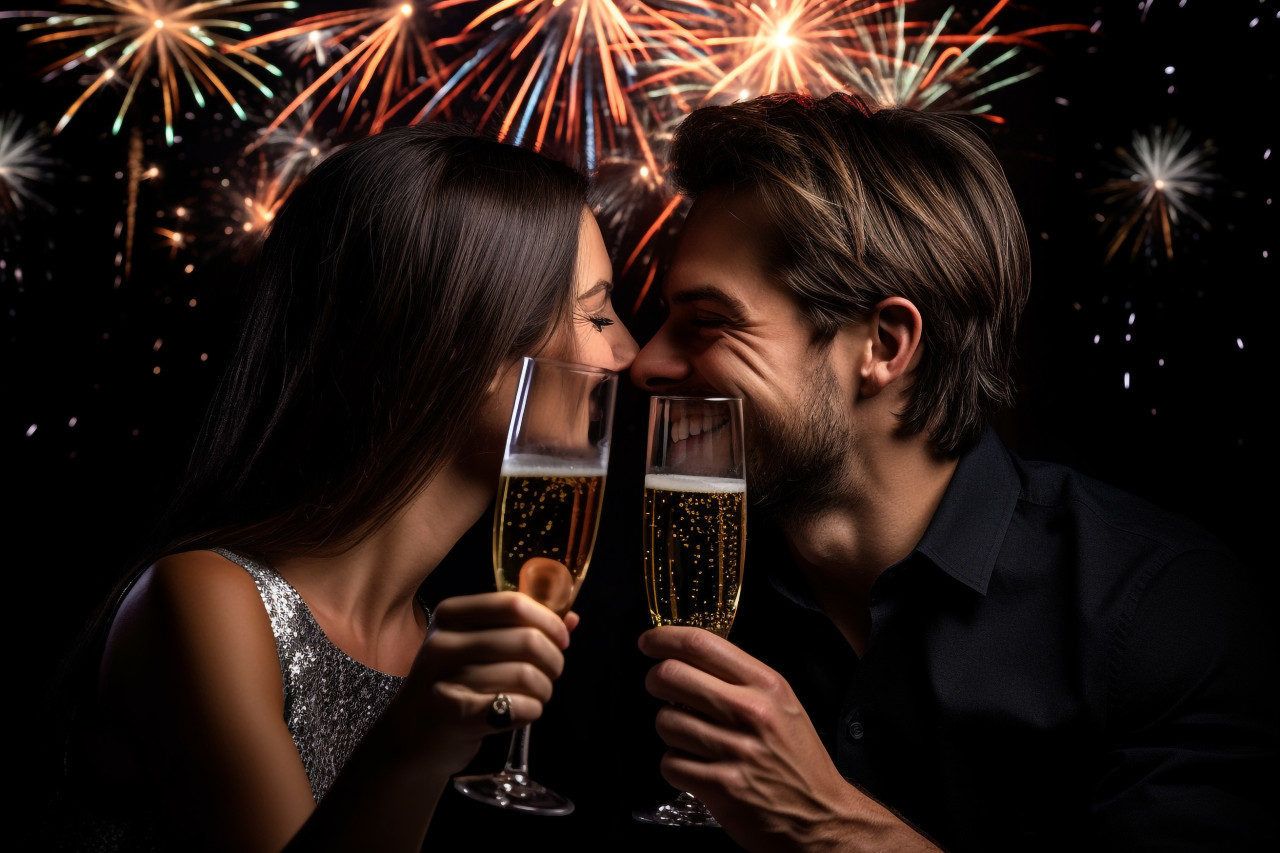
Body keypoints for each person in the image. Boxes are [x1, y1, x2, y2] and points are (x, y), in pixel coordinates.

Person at [627, 92, 1278, 852]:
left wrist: (831, 826)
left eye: (709, 322)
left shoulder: (1162, 611)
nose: (646, 363)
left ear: (885, 344)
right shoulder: (653, 583)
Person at [34, 120, 637, 852]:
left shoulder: (438, 644)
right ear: (470, 346)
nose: (626, 352)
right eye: (598, 314)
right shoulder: (202, 602)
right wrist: (413, 744)